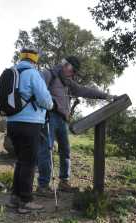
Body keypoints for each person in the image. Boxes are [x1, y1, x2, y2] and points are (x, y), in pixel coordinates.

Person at [36, 56, 117, 196]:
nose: (73, 74)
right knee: (46, 150)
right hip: (49, 117)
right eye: (72, 70)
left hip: (62, 120)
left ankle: (64, 182)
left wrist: (107, 96)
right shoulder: (48, 74)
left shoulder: (68, 82)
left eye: (74, 72)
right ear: (65, 65)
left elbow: (85, 90)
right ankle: (43, 186)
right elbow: (36, 90)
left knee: (65, 151)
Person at [6, 48, 53, 213]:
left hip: (11, 123)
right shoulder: (33, 74)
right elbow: (46, 100)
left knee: (21, 161)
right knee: (29, 162)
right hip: (29, 124)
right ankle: (26, 200)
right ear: (35, 60)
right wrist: (51, 104)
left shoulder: (12, 72)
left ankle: (15, 198)